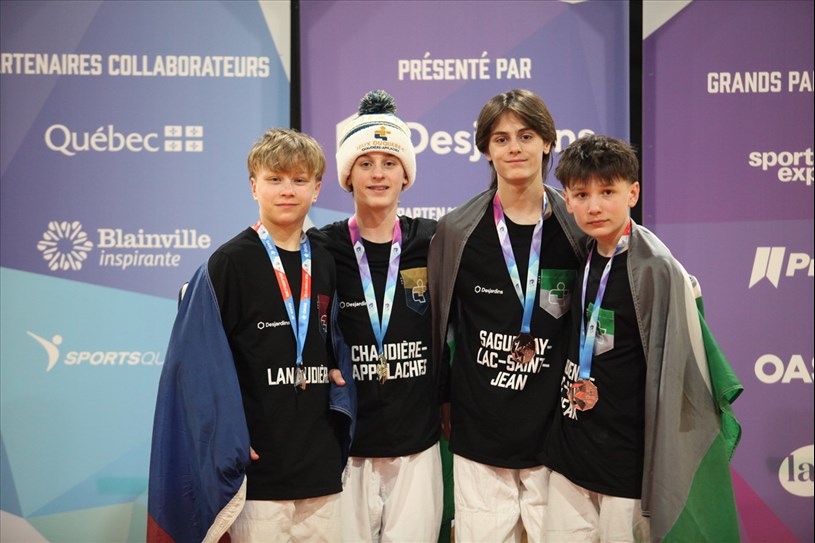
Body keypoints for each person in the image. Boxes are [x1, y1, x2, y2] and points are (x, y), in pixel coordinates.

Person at [147, 128, 356, 543]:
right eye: (274, 179)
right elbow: (196, 368)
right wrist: (226, 440)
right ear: (253, 186)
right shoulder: (228, 264)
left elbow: (329, 335)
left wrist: (336, 370)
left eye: (299, 180)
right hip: (257, 477)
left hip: (321, 471)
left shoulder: (326, 261)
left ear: (316, 189)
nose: (287, 190)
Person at [543, 134, 742, 542]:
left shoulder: (658, 268)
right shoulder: (580, 253)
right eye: (581, 194)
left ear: (632, 193)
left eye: (608, 192)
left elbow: (685, 378)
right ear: (568, 200)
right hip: (570, 459)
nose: (594, 206)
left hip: (626, 470)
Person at [427, 89, 586, 543]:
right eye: (501, 138)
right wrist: (443, 397)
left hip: (557, 434)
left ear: (548, 142)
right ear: (486, 149)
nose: (514, 148)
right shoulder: (457, 229)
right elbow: (437, 324)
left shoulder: (578, 226)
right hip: (480, 435)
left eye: (526, 135)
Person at [311, 90, 443, 542]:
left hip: (417, 447)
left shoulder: (434, 241)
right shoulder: (322, 247)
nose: (378, 174)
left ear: (406, 174)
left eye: (390, 162)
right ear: (348, 175)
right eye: (365, 163)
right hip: (347, 446)